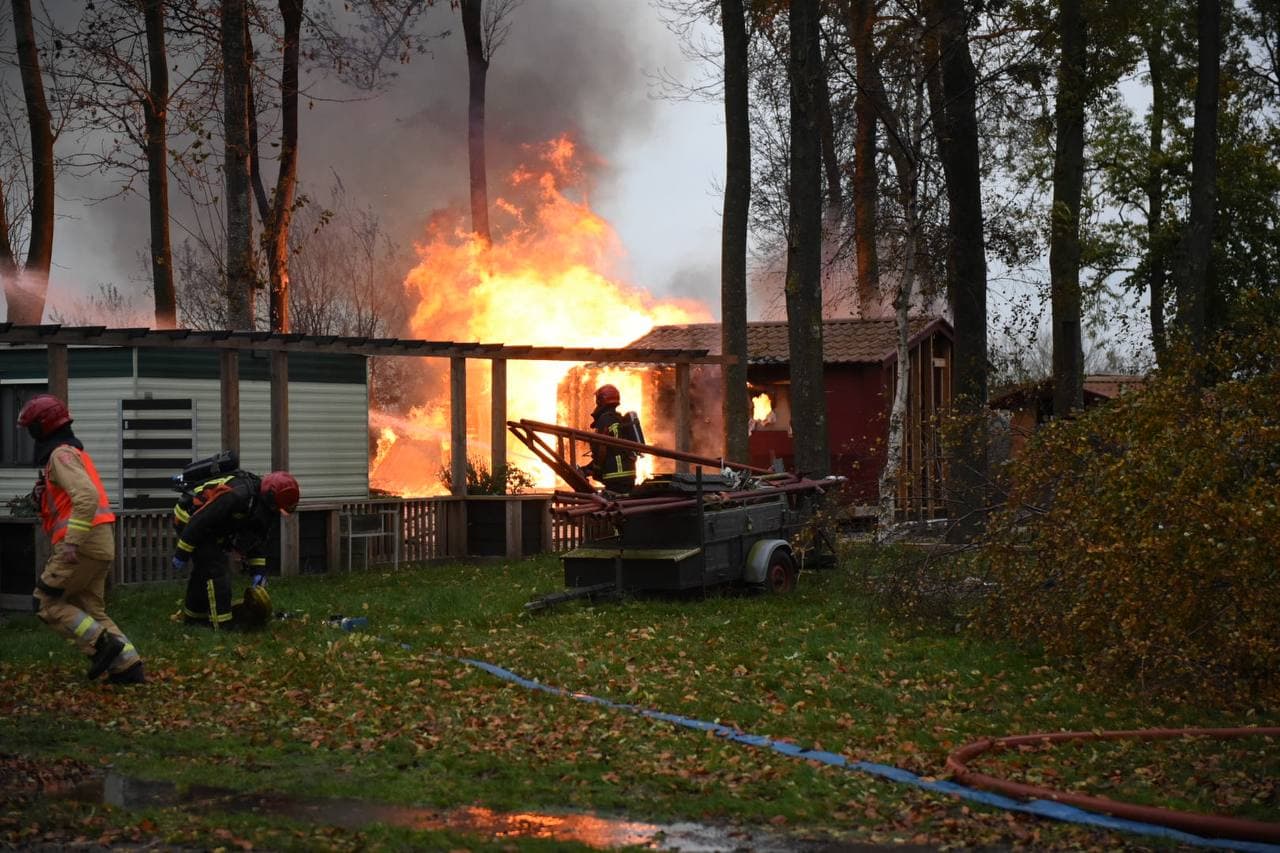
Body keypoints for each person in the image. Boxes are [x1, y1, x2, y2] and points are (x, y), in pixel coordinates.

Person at [18, 394, 145, 685]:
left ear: (42, 427)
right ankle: (128, 668)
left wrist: (72, 541)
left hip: (80, 546)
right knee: (89, 609)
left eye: (31, 428)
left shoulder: (60, 455)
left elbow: (85, 497)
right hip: (99, 542)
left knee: (46, 603)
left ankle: (103, 645)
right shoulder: (73, 454)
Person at [171, 469, 299, 629]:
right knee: (215, 568)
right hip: (190, 519)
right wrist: (182, 552)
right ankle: (223, 623)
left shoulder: (264, 507)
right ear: (270, 498)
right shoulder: (237, 495)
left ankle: (194, 618)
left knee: (203, 569)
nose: (276, 512)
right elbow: (201, 519)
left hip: (212, 527)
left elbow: (255, 539)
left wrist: (258, 570)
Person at [582, 384, 639, 494]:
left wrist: (594, 468)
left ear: (600, 401)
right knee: (624, 503)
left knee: (614, 503)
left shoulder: (604, 420)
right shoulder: (620, 419)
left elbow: (601, 448)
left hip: (614, 475)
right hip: (629, 473)